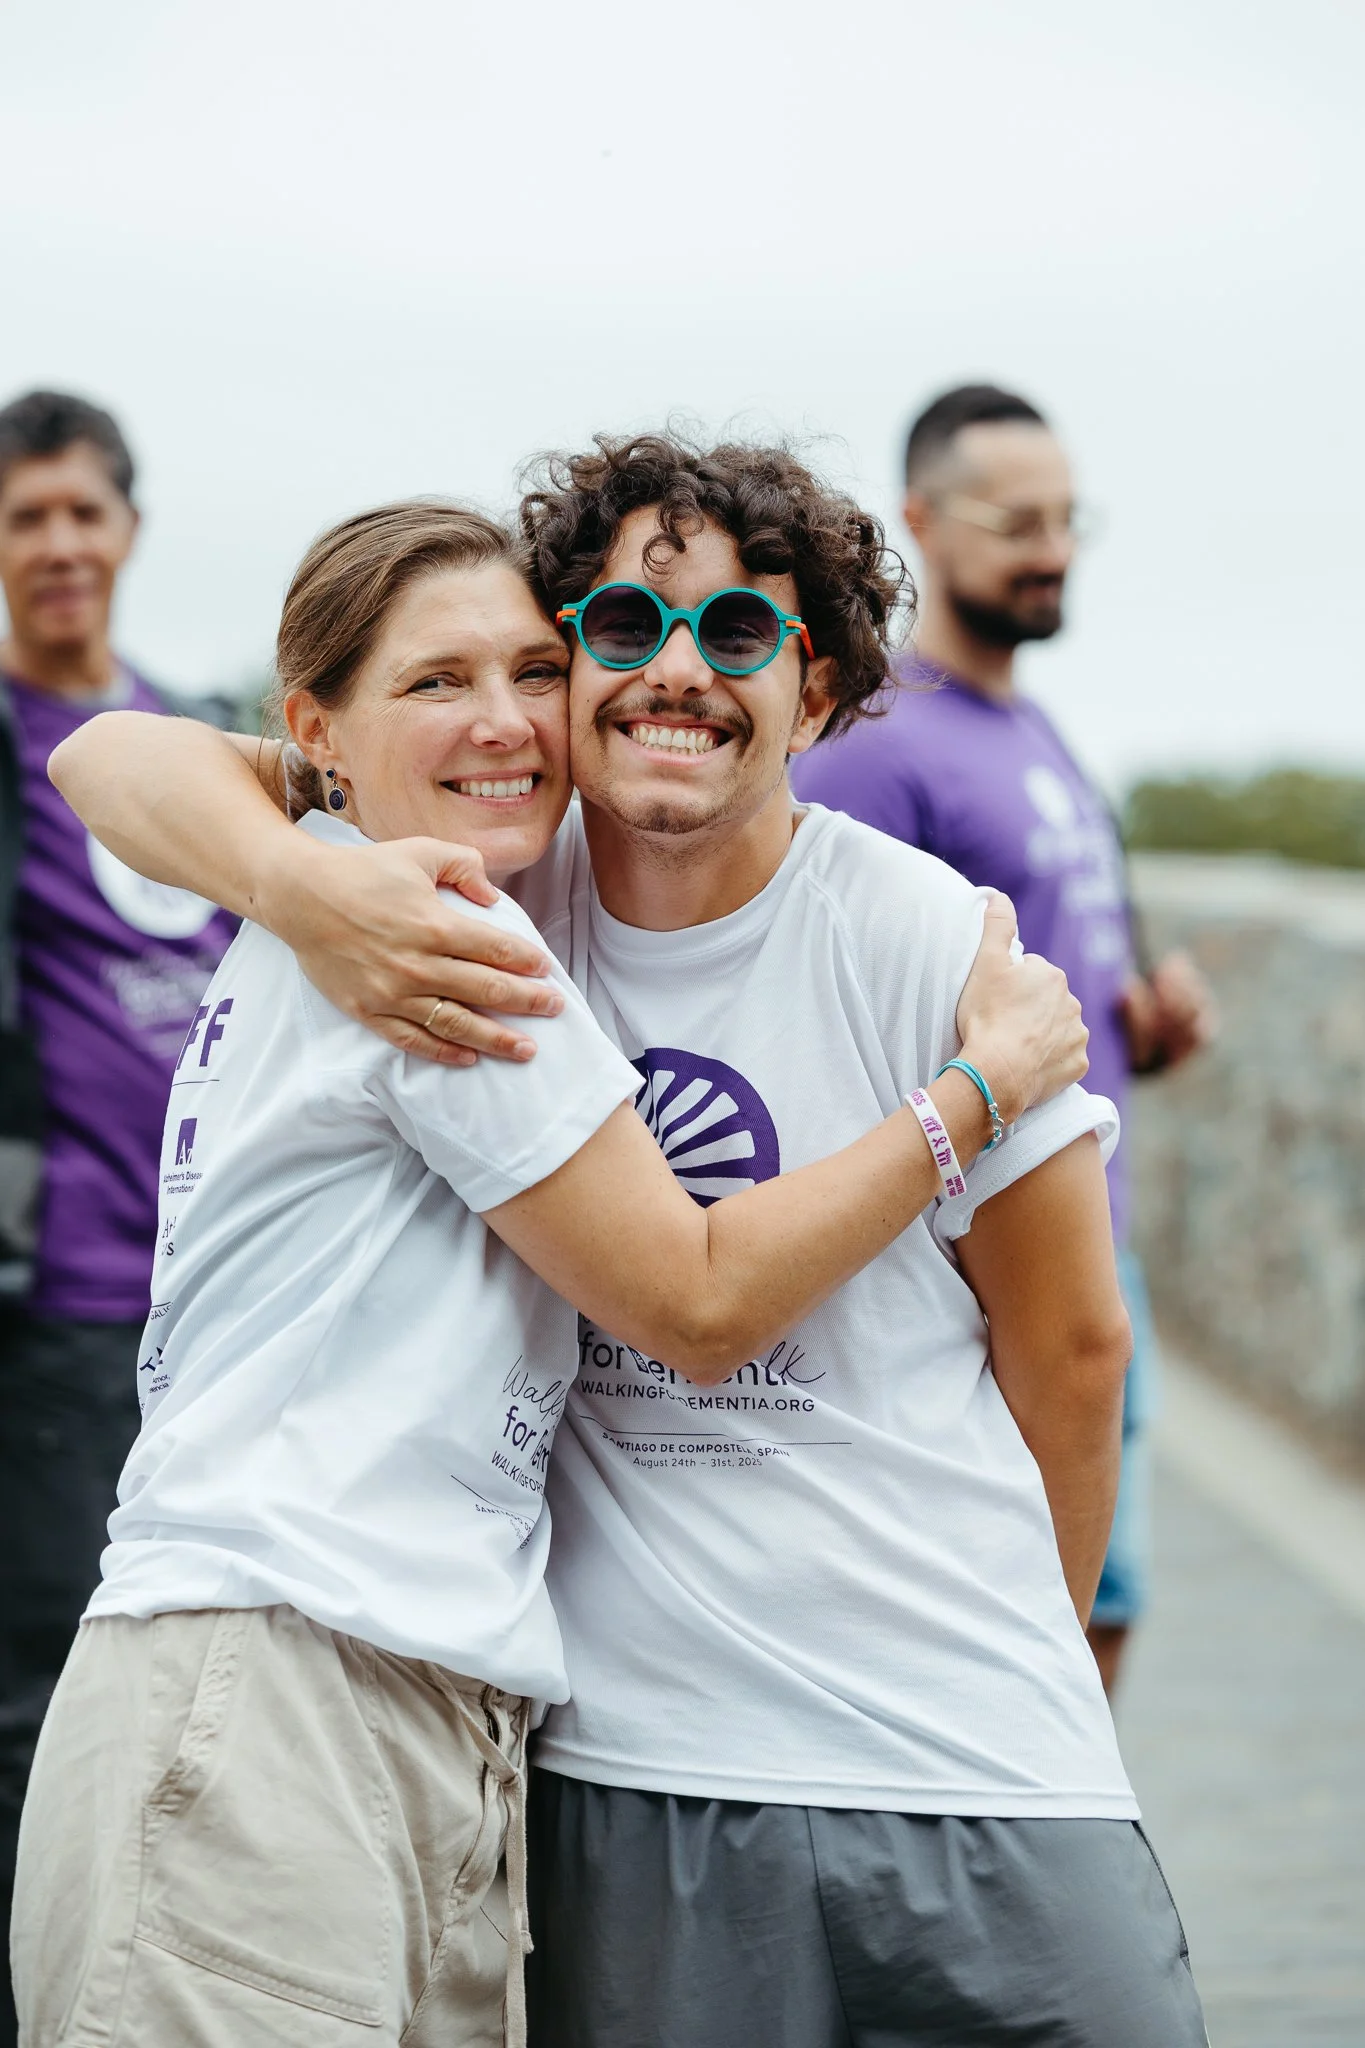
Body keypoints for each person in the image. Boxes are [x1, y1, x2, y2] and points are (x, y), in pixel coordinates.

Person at [52, 434, 1208, 2046]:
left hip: (693, 1742)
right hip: (389, 1708)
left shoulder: (911, 929)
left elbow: (1077, 1349)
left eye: (737, 634)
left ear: (813, 690)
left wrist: (1024, 1682)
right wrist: (971, 1095)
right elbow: (695, 1297)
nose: (674, 667)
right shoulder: (439, 918)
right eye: (613, 629)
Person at [793, 385, 1217, 1694]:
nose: (1051, 548)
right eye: (1015, 519)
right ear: (920, 520)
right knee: (1010, 1631)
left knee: (1101, 1605)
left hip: (1098, 1228)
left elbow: (1045, 980)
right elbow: (834, 999)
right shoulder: (878, 746)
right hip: (980, 1261)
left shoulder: (1033, 729)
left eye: (1067, 519)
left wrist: (1145, 1020)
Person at [0, 389, 238, 2045]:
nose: (61, 544)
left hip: (225, 1291)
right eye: (25, 519)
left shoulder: (192, 734)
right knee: (46, 1688)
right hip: (67, 1293)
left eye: (84, 511)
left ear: (131, 527)